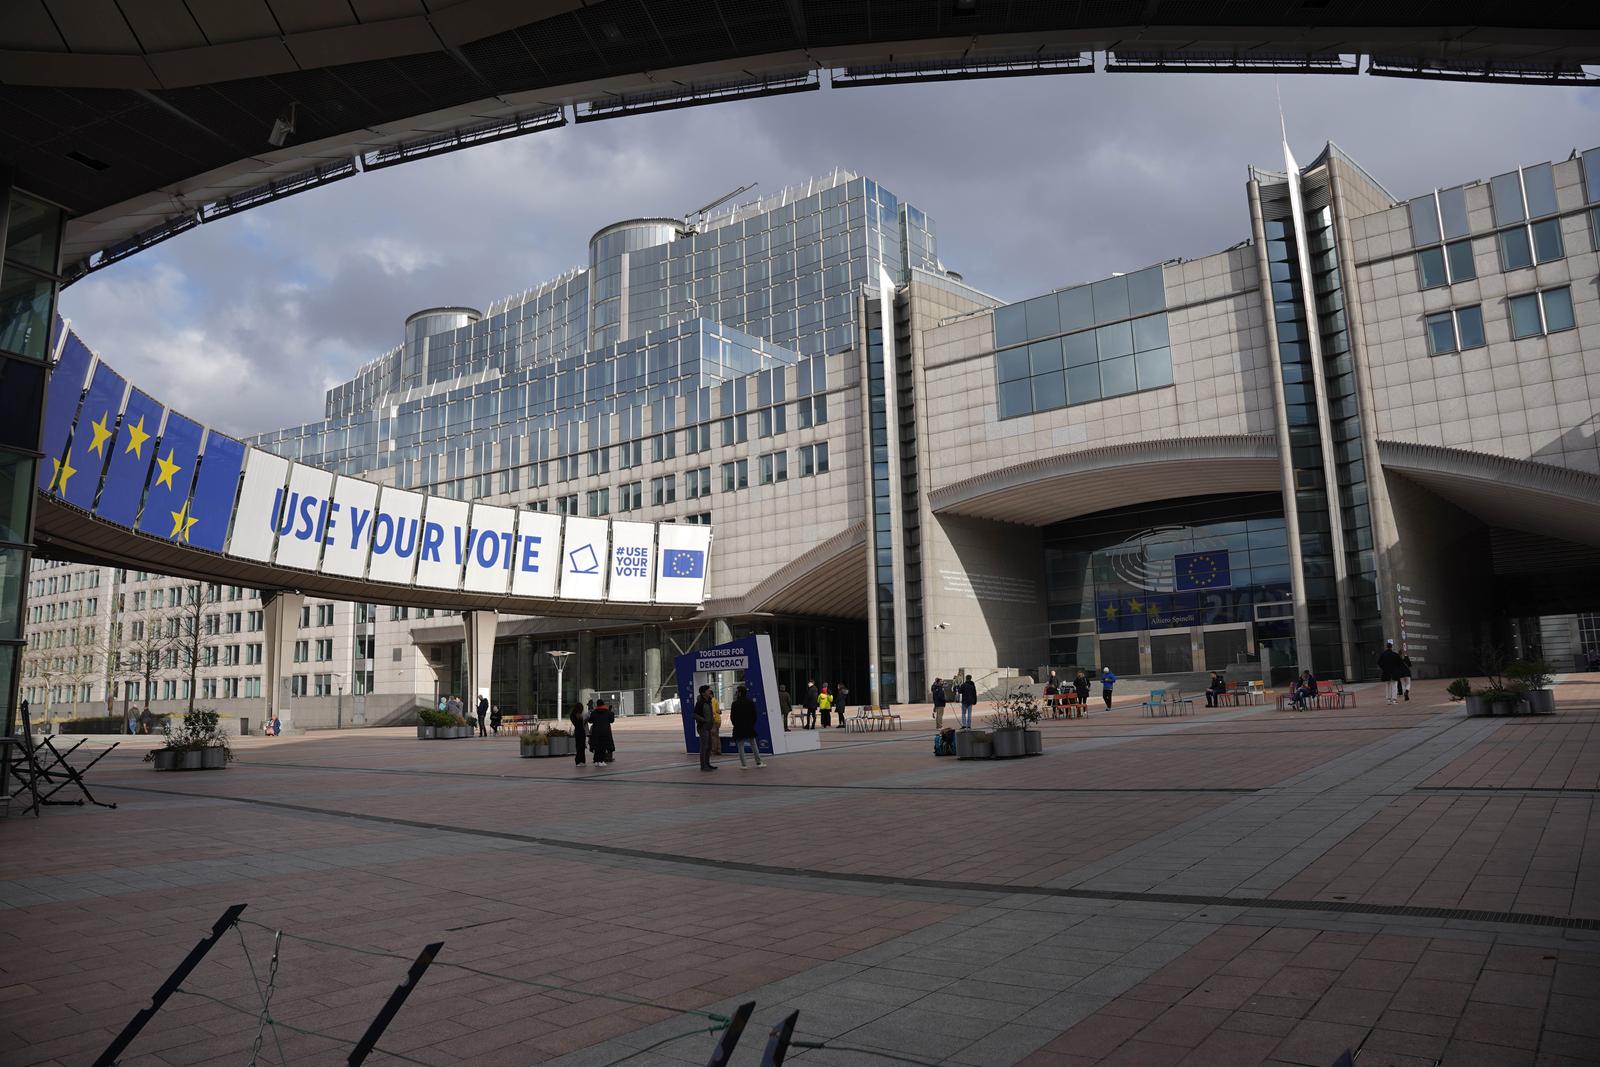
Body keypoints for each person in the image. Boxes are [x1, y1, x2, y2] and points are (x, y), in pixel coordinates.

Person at [730, 685, 764, 767]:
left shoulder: (734, 704)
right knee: (753, 744)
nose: (736, 693)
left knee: (740, 746)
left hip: (738, 727)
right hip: (749, 727)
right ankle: (758, 762)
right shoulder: (750, 702)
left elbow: (732, 717)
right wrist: (751, 724)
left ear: (740, 693)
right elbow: (754, 715)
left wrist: (736, 724)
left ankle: (744, 764)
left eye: (737, 692)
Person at [694, 685, 718, 772]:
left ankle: (707, 763)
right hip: (703, 727)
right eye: (708, 691)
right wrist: (703, 720)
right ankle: (703, 765)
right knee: (704, 746)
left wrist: (712, 725)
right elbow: (694, 715)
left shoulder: (709, 702)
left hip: (709, 727)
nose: (709, 692)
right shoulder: (700, 703)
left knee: (709, 746)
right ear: (703, 693)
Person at [588, 697, 614, 766]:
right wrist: (611, 712)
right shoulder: (607, 712)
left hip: (596, 732)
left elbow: (590, 721)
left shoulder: (594, 712)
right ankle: (601, 761)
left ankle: (596, 761)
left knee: (597, 746)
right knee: (603, 746)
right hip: (605, 732)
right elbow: (611, 720)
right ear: (603, 704)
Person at [570, 702, 587, 766]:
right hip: (578, 731)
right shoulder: (574, 715)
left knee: (582, 747)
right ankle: (578, 761)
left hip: (581, 731)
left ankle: (582, 761)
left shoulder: (579, 714)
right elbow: (576, 724)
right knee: (579, 747)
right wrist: (579, 718)